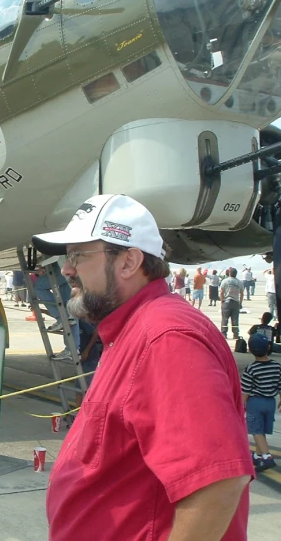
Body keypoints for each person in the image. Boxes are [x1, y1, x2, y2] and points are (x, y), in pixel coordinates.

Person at [32, 194, 252, 541]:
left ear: (128, 262)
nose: (66, 269)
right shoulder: (132, 330)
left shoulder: (165, 338)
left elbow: (217, 483)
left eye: (77, 255)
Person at [241, 334, 281, 472]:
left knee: (256, 431)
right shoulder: (276, 366)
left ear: (250, 350)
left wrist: (240, 405)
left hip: (255, 403)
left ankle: (267, 457)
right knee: (262, 430)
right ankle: (258, 456)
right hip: (270, 403)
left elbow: (246, 389)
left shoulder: (251, 368)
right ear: (268, 348)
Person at [220, 268, 244, 340]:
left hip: (227, 302)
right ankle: (235, 334)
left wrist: (222, 301)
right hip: (235, 302)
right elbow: (242, 294)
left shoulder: (225, 281)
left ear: (229, 273)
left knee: (225, 318)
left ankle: (224, 333)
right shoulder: (239, 282)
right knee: (235, 319)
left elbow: (221, 292)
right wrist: (240, 303)